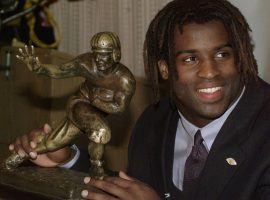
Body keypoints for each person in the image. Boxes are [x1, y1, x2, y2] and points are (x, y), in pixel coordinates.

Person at [8, 0, 270, 199]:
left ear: (241, 57)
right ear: (165, 69)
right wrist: (66, 160)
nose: (210, 72)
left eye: (222, 55)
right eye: (190, 59)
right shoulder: (153, 122)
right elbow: (134, 190)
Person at [6, 31, 135, 178]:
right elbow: (61, 71)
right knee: (101, 130)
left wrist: (97, 101)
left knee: (53, 144)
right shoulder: (87, 63)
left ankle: (20, 156)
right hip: (79, 103)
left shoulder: (124, 80)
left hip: (93, 111)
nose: (98, 59)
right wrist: (39, 68)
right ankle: (97, 168)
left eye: (104, 54)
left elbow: (119, 107)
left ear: (115, 54)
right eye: (96, 54)